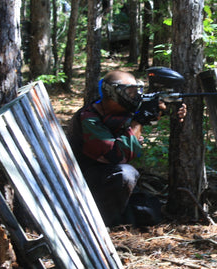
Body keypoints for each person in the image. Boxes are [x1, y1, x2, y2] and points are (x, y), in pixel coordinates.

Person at [67, 70, 187, 226]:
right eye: (129, 92)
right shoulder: (89, 119)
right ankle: (102, 223)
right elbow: (117, 156)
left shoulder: (118, 110)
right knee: (127, 174)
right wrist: (137, 123)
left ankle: (116, 216)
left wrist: (171, 108)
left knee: (149, 210)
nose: (134, 96)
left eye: (136, 91)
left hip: (105, 180)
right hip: (80, 184)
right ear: (112, 93)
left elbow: (151, 111)